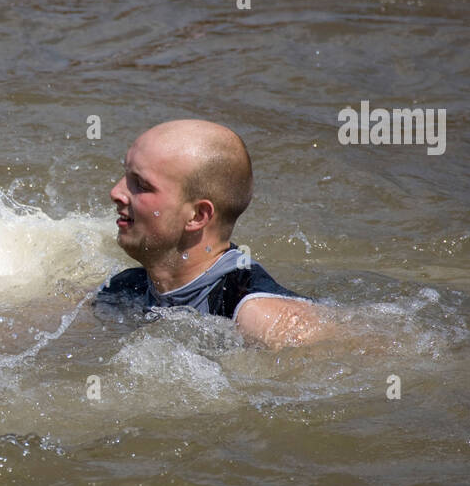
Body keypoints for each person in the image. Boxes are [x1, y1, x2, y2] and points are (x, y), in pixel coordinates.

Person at [97, 119, 326, 347]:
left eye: (142, 185)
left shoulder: (258, 317)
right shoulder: (125, 288)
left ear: (197, 215)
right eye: (125, 174)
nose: (116, 192)